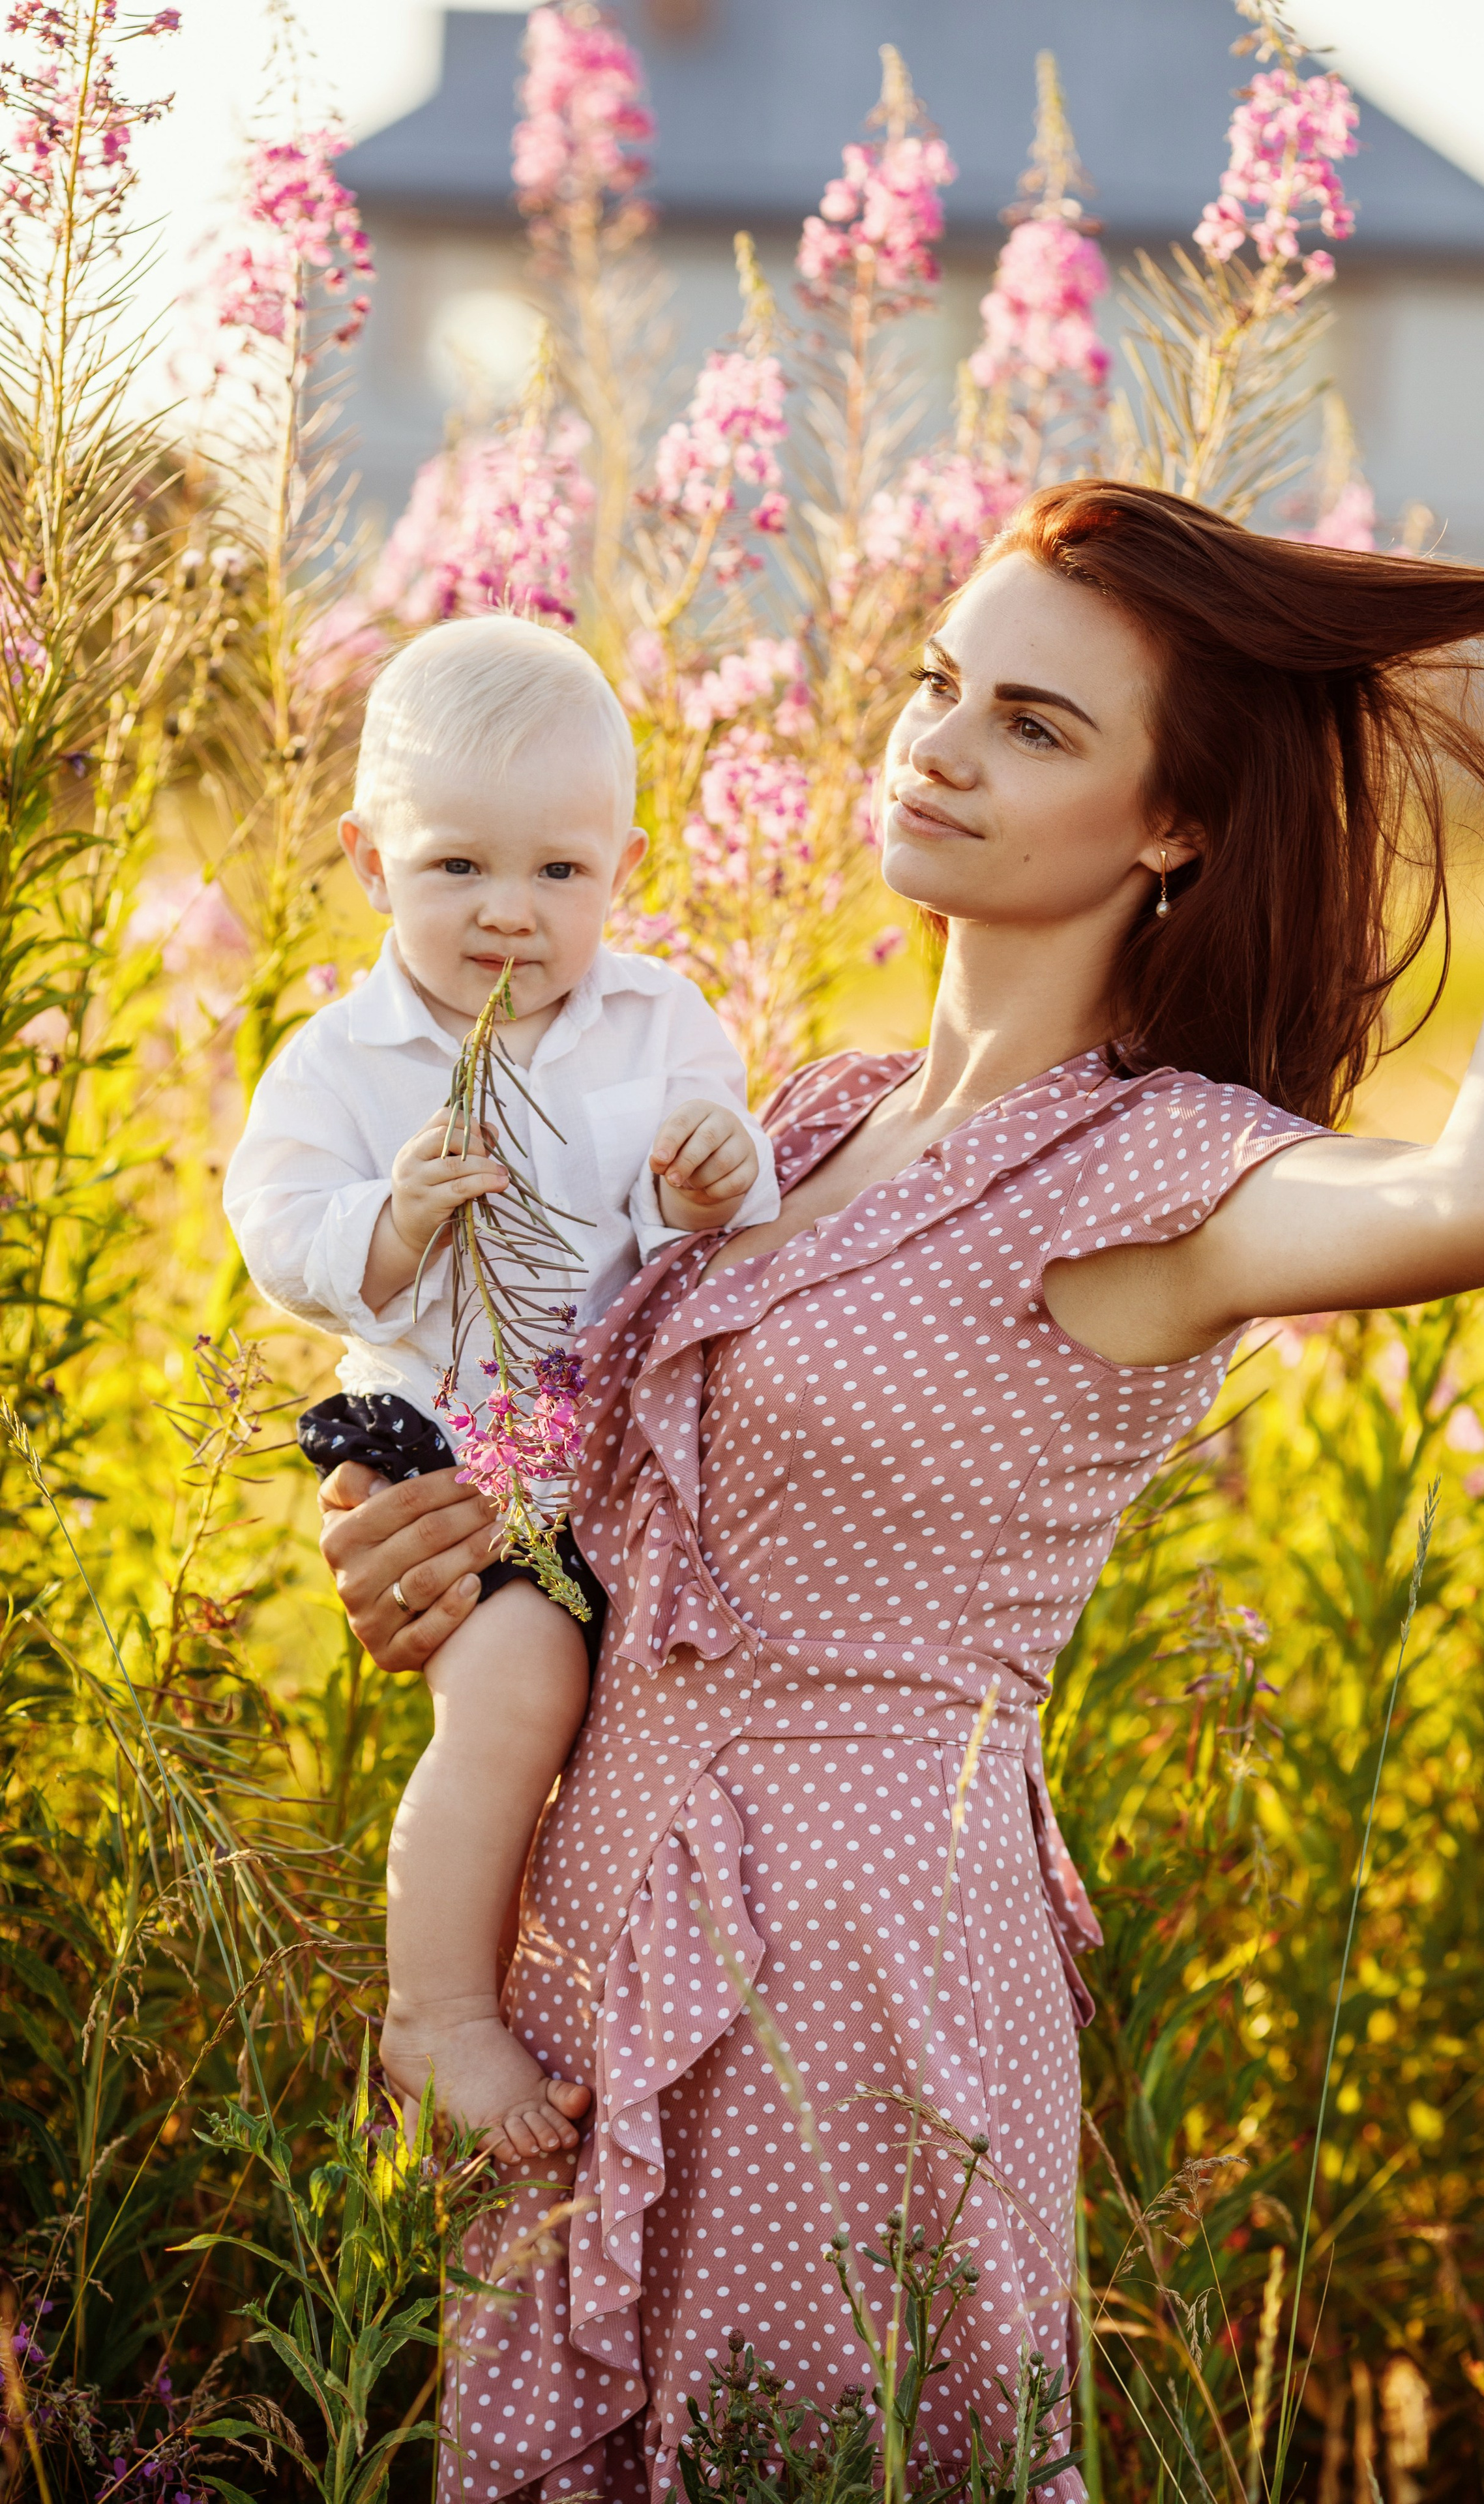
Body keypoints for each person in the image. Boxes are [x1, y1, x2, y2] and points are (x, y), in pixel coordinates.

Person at [317, 487, 1484, 2504]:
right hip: (590, 1944)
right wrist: (439, 1556)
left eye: (1033, 725)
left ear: (1172, 825)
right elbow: (596, 1518)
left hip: (855, 1982)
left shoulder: (1149, 1170)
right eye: (943, 682)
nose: (937, 745)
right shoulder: (807, 1118)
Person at [225, 614, 780, 2159]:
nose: (508, 912)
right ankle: (438, 2013)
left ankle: (607, 1991)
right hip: (441, 1441)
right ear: (367, 859)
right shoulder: (341, 1059)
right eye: (456, 864)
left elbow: (711, 1206)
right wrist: (392, 1220)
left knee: (640, 1706)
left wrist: (716, 1170)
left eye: (558, 870)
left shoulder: (659, 1021)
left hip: (605, 1446)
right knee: (520, 1683)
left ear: (624, 868)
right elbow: (277, 1233)